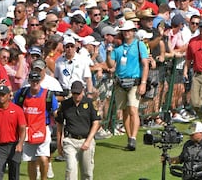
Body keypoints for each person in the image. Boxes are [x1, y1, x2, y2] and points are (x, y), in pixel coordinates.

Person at [105, 20, 149, 151]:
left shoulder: (139, 45)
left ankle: (133, 138)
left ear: (133, 32)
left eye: (129, 30)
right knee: (124, 111)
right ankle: (129, 137)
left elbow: (145, 64)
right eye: (125, 31)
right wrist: (108, 52)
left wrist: (143, 83)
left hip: (134, 81)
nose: (127, 33)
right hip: (121, 83)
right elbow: (110, 65)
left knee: (133, 110)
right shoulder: (118, 48)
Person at [55, 80, 101, 180]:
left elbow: (96, 122)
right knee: (70, 170)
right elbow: (59, 124)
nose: (76, 96)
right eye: (74, 93)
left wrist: (88, 141)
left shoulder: (90, 103)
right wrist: (59, 144)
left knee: (87, 173)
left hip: (86, 140)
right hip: (70, 140)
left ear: (83, 91)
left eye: (78, 94)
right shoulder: (65, 105)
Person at [0, 84, 26, 180]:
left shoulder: (17, 110)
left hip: (14, 146)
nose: (1, 97)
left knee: (14, 175)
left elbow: (22, 129)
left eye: (3, 95)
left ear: (8, 95)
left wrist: (20, 144)